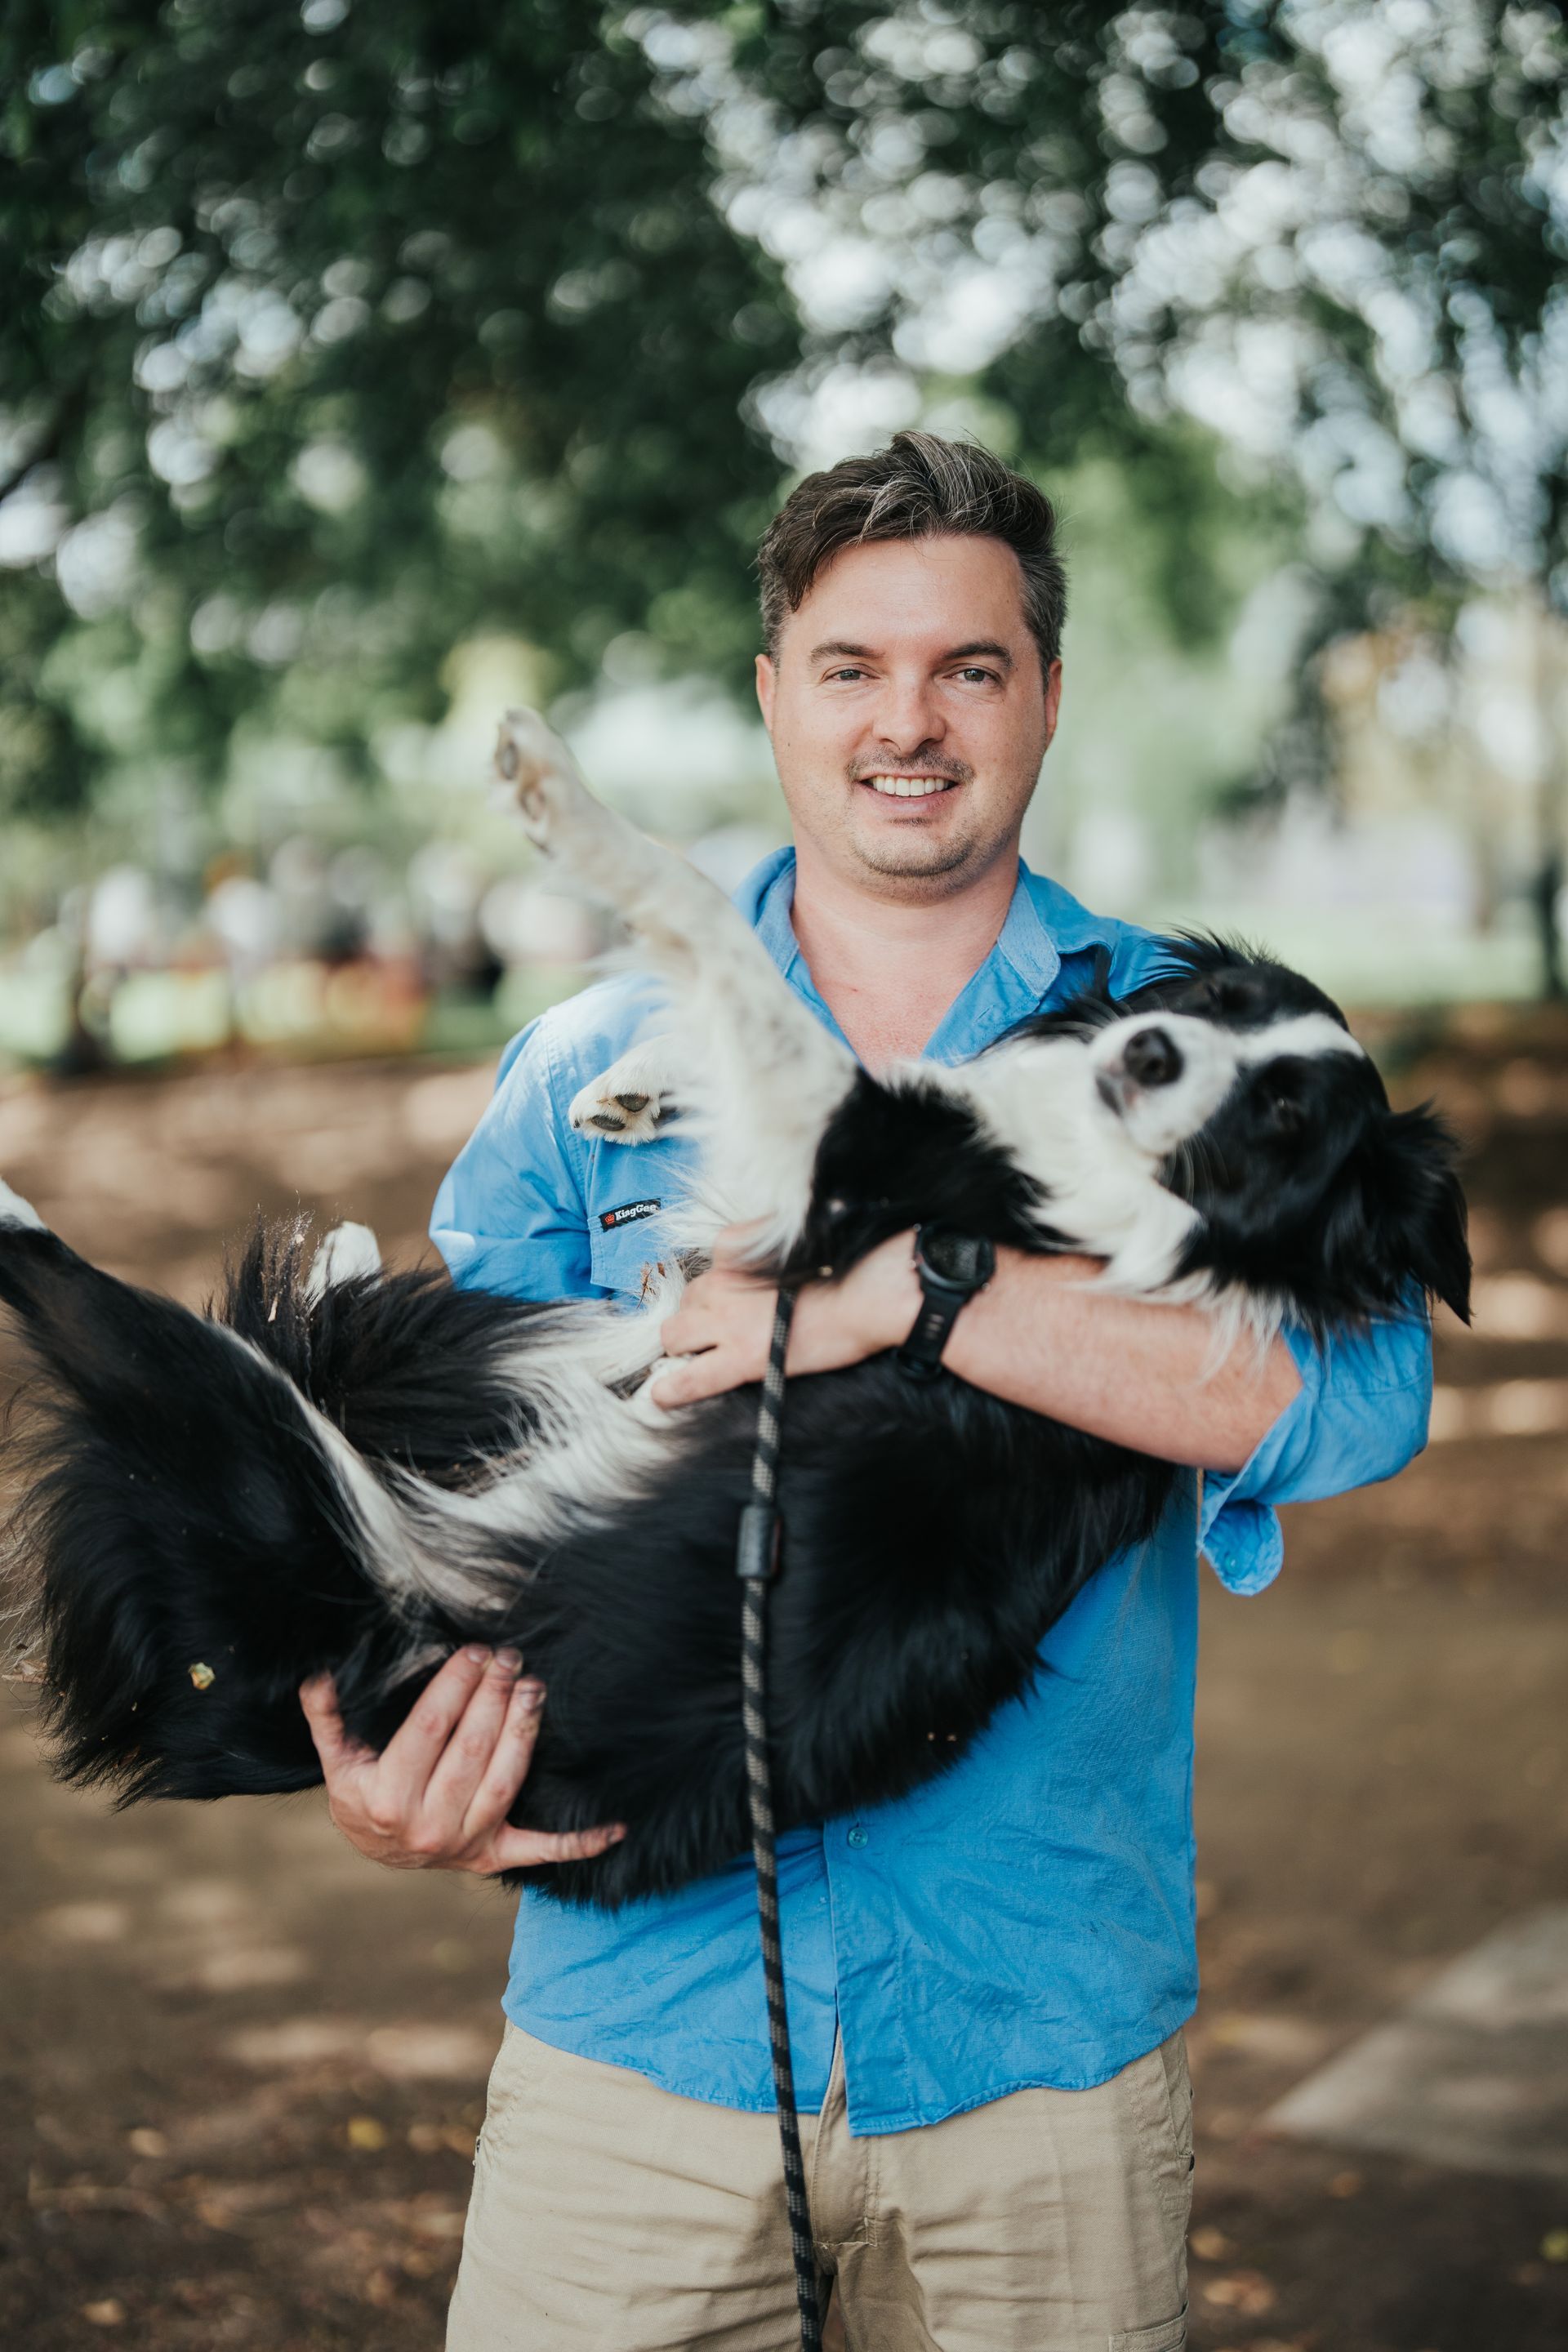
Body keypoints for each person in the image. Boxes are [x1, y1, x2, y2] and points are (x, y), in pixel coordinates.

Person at [300, 434, 1431, 2351]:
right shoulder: (585, 1065)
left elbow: (1359, 1399)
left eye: (969, 668)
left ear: (1046, 693)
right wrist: (362, 1749)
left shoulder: (1209, 1032)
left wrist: (916, 1293)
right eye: (853, 668)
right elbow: (433, 1456)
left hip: (1036, 2053)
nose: (910, 722)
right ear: (775, 698)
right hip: (635, 2047)